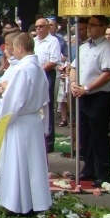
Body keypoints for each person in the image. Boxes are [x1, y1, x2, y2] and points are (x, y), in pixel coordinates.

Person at [0, 33, 52, 215]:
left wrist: (5, 91)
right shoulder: (38, 68)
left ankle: (17, 202)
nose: (12, 51)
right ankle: (35, 200)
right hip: (33, 119)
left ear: (20, 48)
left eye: (13, 48)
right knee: (33, 163)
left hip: (20, 120)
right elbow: (45, 99)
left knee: (18, 162)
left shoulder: (23, 69)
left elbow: (15, 100)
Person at [70, 15, 110, 187]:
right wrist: (73, 82)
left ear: (103, 27)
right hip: (83, 94)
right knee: (85, 134)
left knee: (98, 134)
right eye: (88, 25)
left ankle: (103, 172)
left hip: (99, 95)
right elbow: (74, 67)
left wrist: (87, 88)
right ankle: (89, 168)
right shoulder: (84, 47)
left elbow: (107, 74)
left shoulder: (108, 48)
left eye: (93, 25)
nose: (89, 28)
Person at [34, 18, 62, 153]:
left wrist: (39, 70)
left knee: (47, 105)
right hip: (35, 74)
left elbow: (54, 60)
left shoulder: (53, 41)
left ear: (47, 27)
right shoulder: (34, 41)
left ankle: (49, 141)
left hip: (47, 73)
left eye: (41, 26)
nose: (38, 29)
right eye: (37, 26)